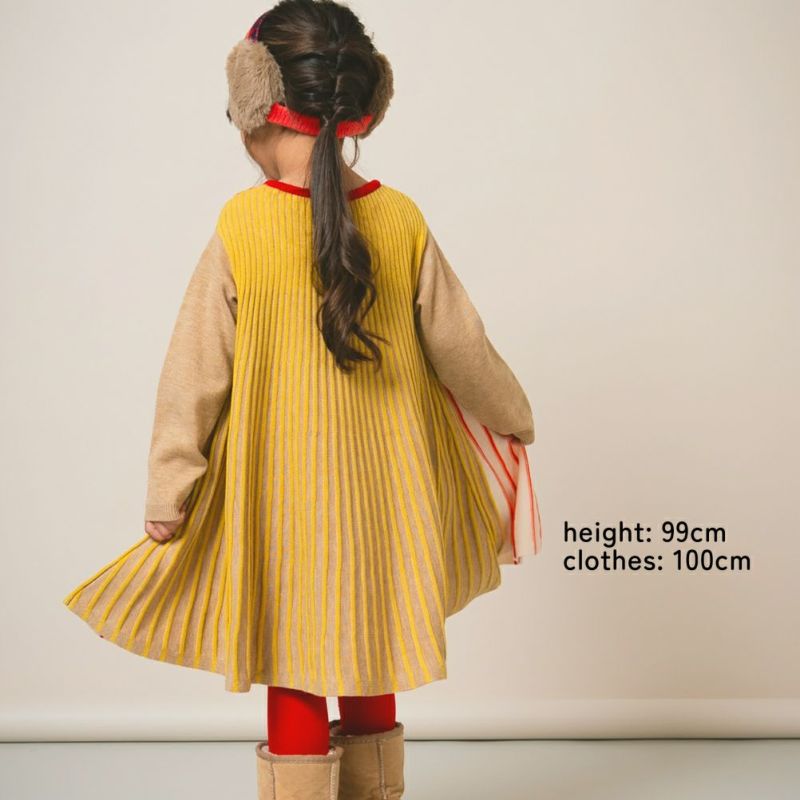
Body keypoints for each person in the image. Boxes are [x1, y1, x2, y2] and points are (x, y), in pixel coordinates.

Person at [62, 1, 541, 798]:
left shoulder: (243, 223)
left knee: (293, 656)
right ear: (362, 111)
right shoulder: (400, 216)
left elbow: (194, 370)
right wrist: (515, 418)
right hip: (392, 497)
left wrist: (170, 486)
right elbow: (463, 346)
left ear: (254, 106)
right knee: (373, 646)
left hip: (281, 501)